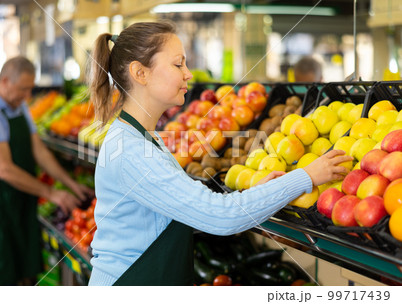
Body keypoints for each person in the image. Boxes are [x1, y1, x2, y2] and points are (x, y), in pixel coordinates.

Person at [88, 22, 352, 286]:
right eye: (178, 65)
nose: (188, 74)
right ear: (140, 73)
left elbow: (183, 211)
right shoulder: (133, 152)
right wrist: (306, 176)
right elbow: (220, 217)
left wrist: (256, 194)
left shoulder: (145, 138)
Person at [0, 56, 93, 286]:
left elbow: (39, 152)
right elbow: (4, 170)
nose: (28, 96)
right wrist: (52, 193)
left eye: (30, 89)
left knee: (21, 271)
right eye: (23, 89)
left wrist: (71, 184)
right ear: (4, 81)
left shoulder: (18, 105)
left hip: (17, 199)